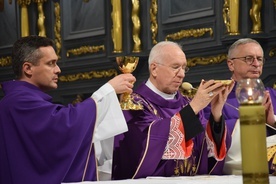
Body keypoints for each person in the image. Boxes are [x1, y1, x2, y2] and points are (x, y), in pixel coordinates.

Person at [0, 35, 136, 184]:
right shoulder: (19, 102)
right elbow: (64, 125)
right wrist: (108, 91)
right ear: (28, 68)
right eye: (51, 64)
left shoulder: (19, 99)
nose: (58, 70)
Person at [112, 41, 234, 179]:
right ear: (154, 69)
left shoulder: (187, 104)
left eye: (184, 68)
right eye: (175, 67)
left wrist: (216, 114)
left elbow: (204, 147)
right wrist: (194, 108)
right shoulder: (134, 105)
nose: (182, 74)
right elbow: (147, 146)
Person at [203, 38, 276, 175]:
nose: (256, 64)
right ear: (231, 64)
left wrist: (272, 122)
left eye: (259, 59)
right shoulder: (215, 97)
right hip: (234, 174)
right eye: (249, 58)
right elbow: (206, 139)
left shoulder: (273, 95)